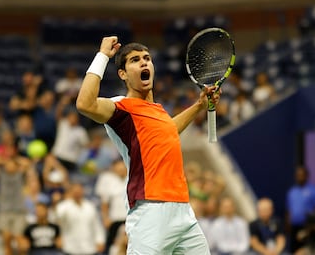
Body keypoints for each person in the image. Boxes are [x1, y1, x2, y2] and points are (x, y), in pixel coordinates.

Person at [76, 36, 221, 254]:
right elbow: (84, 104)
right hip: (150, 209)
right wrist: (103, 55)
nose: (144, 63)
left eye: (147, 58)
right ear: (123, 74)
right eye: (135, 60)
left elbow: (168, 130)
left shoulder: (158, 111)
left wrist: (199, 105)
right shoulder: (121, 108)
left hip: (183, 211)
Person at [0, 150, 35, 255]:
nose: (10, 167)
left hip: (19, 211)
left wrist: (15, 159)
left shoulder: (20, 174)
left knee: (19, 238)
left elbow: (28, 163)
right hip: (4, 210)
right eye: (8, 165)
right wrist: (3, 160)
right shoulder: (1, 174)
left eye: (12, 165)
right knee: (6, 238)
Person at [55, 182, 105, 255]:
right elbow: (59, 217)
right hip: (70, 248)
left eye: (79, 190)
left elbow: (97, 225)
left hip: (89, 248)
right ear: (71, 192)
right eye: (75, 191)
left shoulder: (90, 206)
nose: (77, 193)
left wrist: (100, 240)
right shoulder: (64, 206)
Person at [94, 157, 128, 253]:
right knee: (113, 247)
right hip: (115, 220)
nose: (120, 170)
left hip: (130, 219)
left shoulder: (131, 178)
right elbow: (104, 202)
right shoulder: (107, 178)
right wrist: (105, 219)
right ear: (113, 168)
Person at [286, 166, 315, 254]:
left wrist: (313, 225)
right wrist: (288, 225)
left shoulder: (314, 191)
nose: (299, 177)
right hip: (294, 227)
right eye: (297, 175)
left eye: (301, 175)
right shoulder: (292, 191)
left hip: (308, 227)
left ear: (306, 176)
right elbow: (289, 210)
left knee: (307, 251)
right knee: (294, 251)